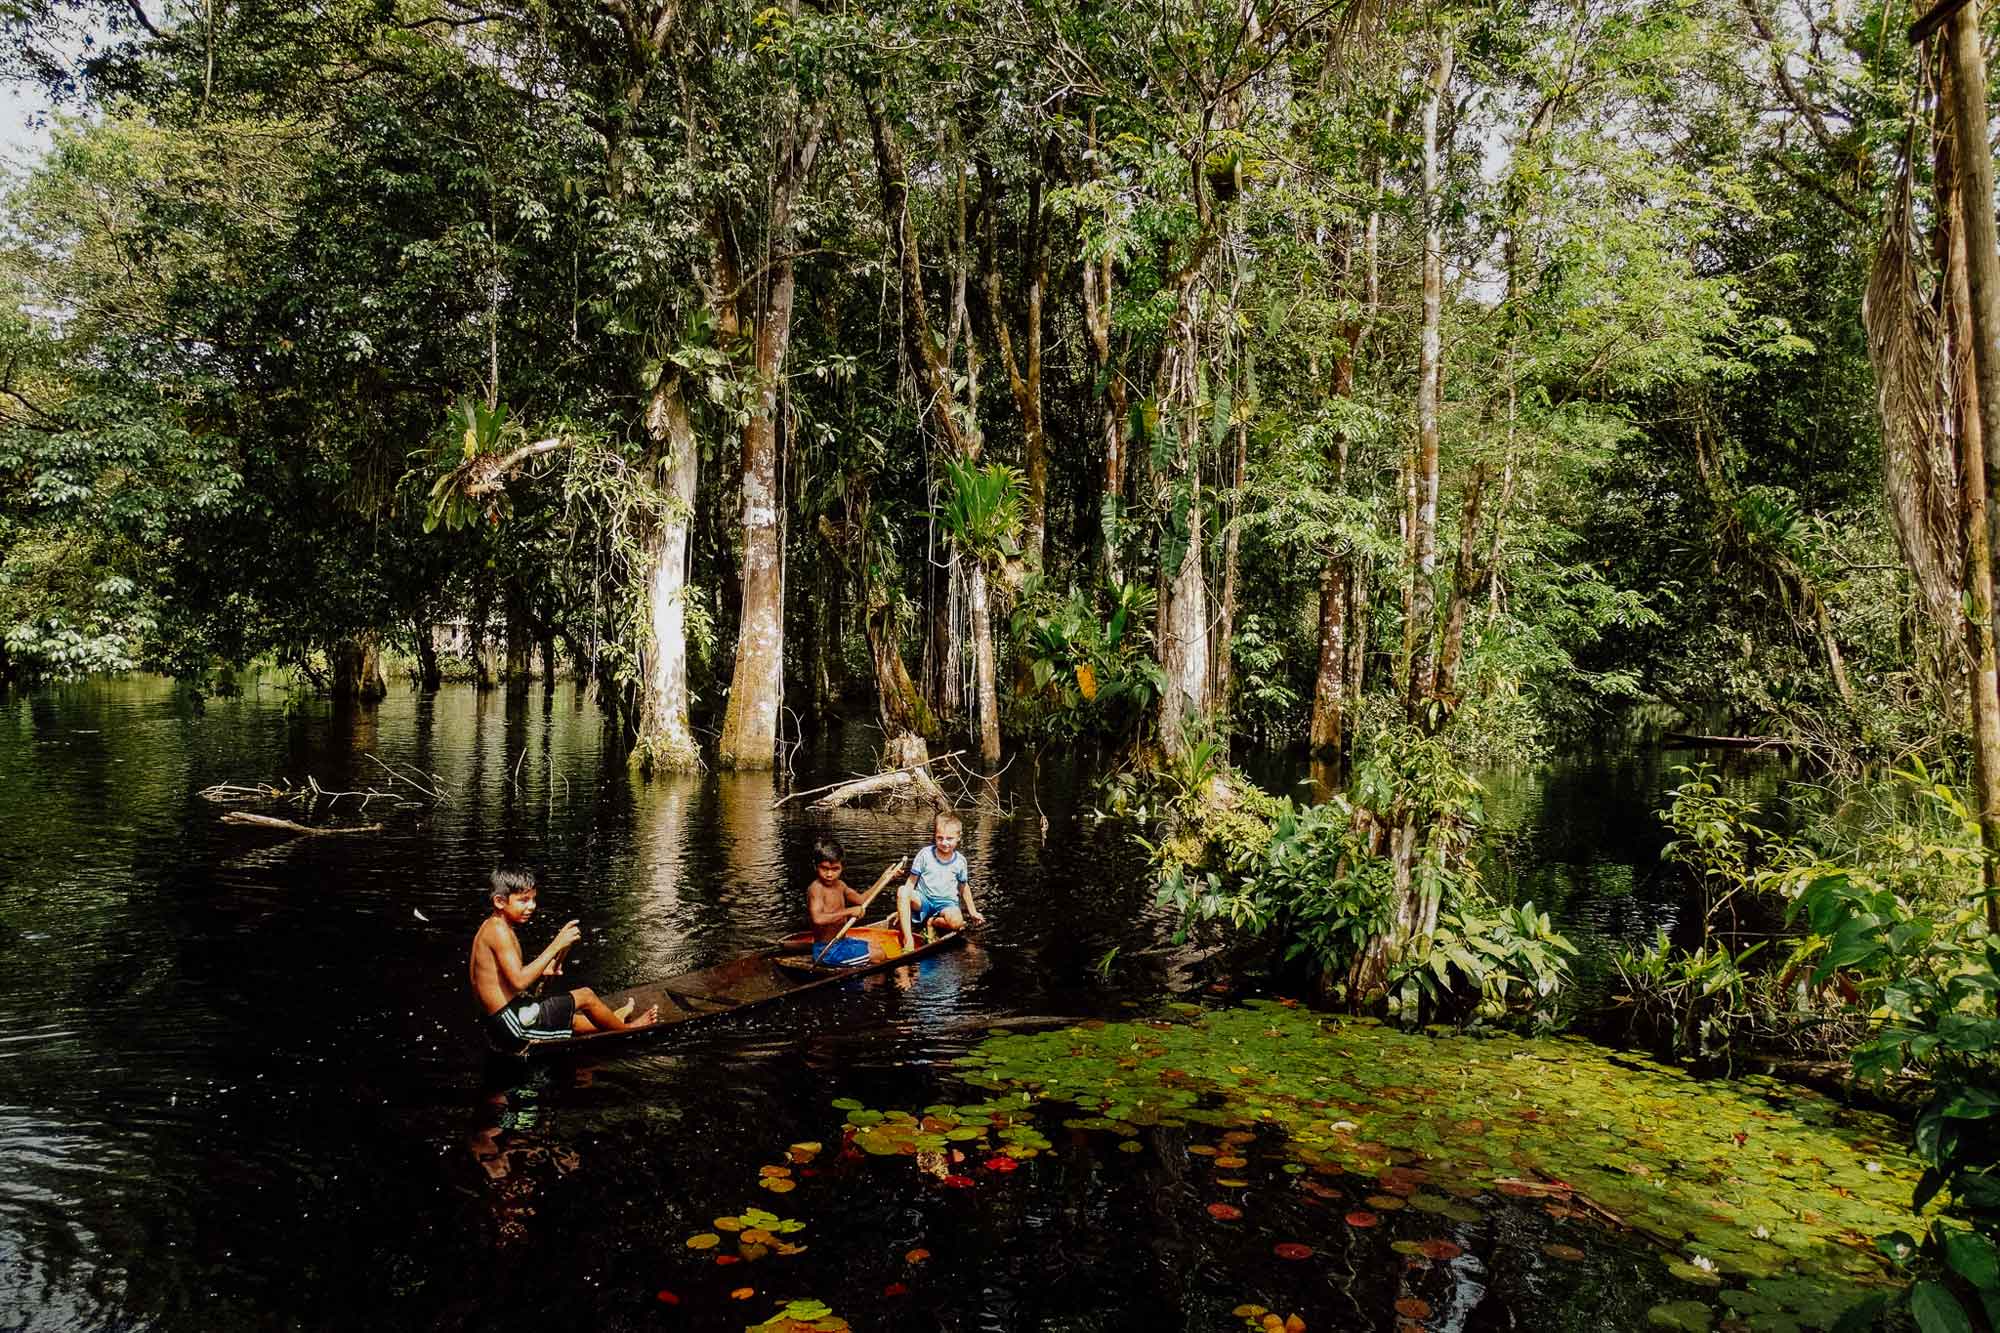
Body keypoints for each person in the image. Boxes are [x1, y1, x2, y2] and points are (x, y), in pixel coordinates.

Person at [469, 868, 656, 1050]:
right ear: (500, 901)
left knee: (571, 1019)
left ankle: (614, 1020)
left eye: (533, 899)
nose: (532, 906)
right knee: (586, 996)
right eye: (523, 900)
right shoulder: (499, 932)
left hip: (500, 1021)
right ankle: (628, 1030)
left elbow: (505, 979)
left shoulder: (492, 926)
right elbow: (518, 982)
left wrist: (542, 969)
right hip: (512, 1027)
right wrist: (557, 944)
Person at [896, 810, 986, 950]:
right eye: (940, 838)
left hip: (946, 904)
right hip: (923, 900)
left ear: (958, 838)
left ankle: (933, 922)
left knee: (957, 923)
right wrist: (903, 904)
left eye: (949, 839)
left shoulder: (960, 861)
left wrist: (972, 912)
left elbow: (964, 887)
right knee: (902, 891)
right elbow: (911, 881)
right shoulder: (925, 854)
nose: (944, 843)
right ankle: (908, 940)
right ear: (935, 836)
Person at [805, 836, 872, 966]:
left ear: (842, 867)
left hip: (841, 942)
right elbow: (818, 918)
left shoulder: (841, 885)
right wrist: (849, 912)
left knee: (878, 948)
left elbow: (861, 899)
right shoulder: (816, 888)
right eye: (824, 868)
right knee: (880, 955)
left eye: (835, 869)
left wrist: (886, 877)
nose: (829, 874)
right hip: (827, 951)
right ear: (815, 866)